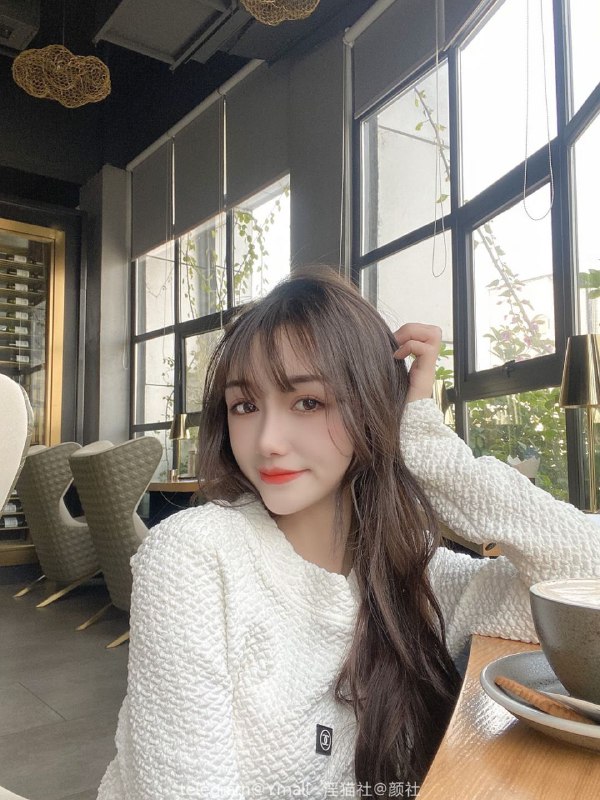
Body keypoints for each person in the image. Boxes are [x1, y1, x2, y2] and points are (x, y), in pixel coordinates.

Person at [97, 268, 600, 800]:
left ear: (373, 408)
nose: (267, 440)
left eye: (308, 402)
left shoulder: (409, 574)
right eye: (245, 405)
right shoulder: (193, 556)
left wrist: (425, 445)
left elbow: (587, 572)